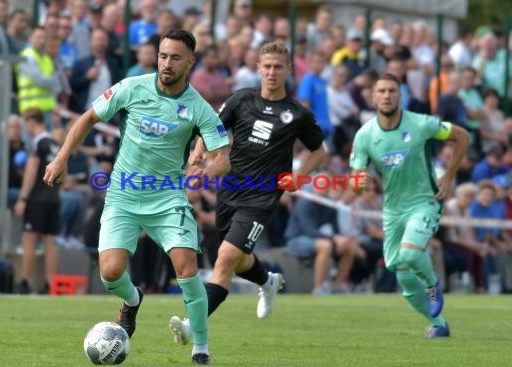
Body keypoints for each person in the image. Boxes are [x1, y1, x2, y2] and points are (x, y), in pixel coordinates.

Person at [43, 29, 230, 365]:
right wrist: (61, 157)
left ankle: (200, 347)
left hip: (168, 199)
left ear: (190, 62)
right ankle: (132, 301)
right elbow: (87, 118)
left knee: (187, 268)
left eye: (175, 57)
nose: (167, 63)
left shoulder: (199, 108)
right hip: (124, 196)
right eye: (162, 55)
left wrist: (205, 173)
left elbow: (223, 158)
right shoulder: (131, 87)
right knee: (110, 273)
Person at [169, 42, 325, 344]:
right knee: (238, 260)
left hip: (262, 197)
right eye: (266, 66)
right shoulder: (241, 100)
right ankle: (267, 281)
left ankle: (192, 326)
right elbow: (210, 127)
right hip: (229, 191)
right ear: (258, 68)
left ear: (288, 69)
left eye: (278, 67)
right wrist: (199, 152)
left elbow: (318, 151)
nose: (271, 72)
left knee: (225, 260)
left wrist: (299, 177)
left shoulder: (297, 114)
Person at [348, 73, 470, 338]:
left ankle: (432, 283)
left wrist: (448, 175)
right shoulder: (365, 135)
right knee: (402, 274)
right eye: (381, 91)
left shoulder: (421, 124)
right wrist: (360, 182)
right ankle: (437, 324)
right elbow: (354, 183)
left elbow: (462, 136)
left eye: (392, 90)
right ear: (373, 97)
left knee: (411, 254)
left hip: (424, 202)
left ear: (400, 95)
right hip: (392, 211)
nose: (387, 96)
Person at [14, 108, 61, 294]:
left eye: (26, 123)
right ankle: (50, 284)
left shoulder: (37, 143)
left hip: (37, 199)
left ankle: (25, 282)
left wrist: (23, 198)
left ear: (32, 122)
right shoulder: (54, 144)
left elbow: (31, 172)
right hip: (53, 198)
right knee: (50, 242)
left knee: (29, 240)